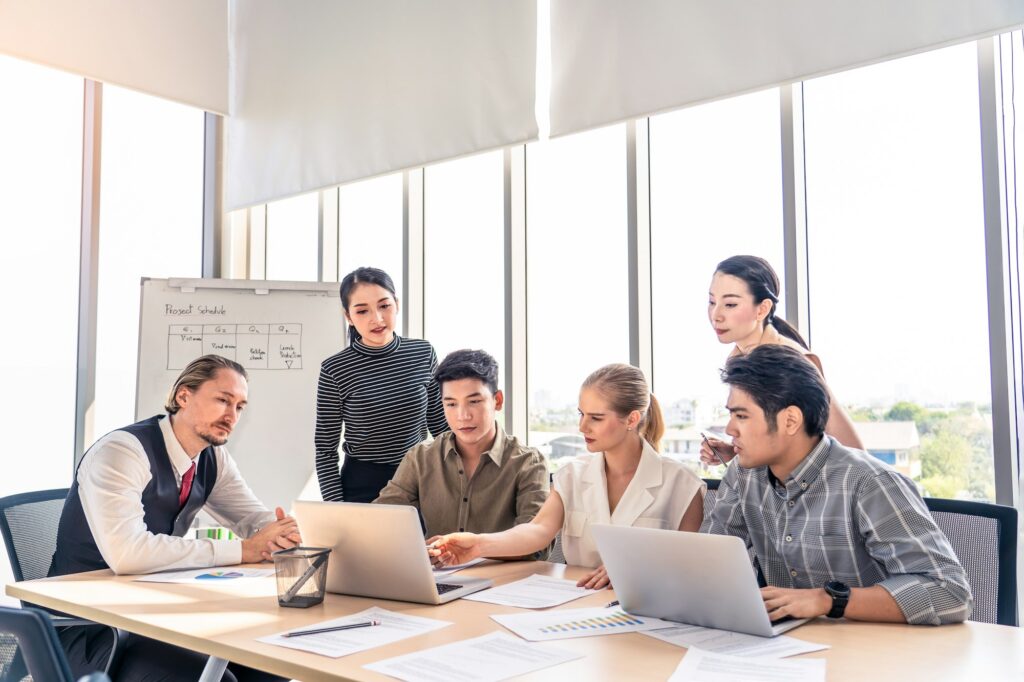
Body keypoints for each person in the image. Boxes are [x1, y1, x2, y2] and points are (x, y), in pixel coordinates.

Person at [48, 355, 299, 681]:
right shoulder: (123, 451)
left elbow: (252, 517)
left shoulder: (212, 458)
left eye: (239, 407)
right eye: (222, 400)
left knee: (271, 665)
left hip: (149, 614)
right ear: (183, 396)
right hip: (88, 627)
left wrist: (286, 532)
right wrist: (245, 549)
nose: (231, 415)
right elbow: (128, 553)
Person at [702, 344, 972, 625]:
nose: (730, 429)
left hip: (873, 651)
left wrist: (828, 599)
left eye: (741, 416)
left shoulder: (869, 483)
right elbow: (708, 561)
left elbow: (950, 592)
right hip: (788, 647)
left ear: (790, 420)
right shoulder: (744, 474)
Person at [428, 364, 705, 589]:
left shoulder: (681, 485)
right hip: (577, 606)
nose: (582, 426)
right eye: (581, 414)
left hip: (649, 610)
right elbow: (537, 531)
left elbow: (691, 566)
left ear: (632, 420)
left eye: (596, 418)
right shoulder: (573, 475)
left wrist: (640, 567)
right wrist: (477, 545)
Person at [374, 349, 549, 547]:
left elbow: (537, 544)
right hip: (434, 576)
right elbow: (380, 519)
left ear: (497, 401)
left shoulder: (528, 463)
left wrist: (475, 547)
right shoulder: (421, 457)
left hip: (503, 576)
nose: (463, 415)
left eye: (474, 401)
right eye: (451, 404)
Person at [702, 254, 863, 467]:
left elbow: (853, 452)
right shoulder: (738, 358)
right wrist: (735, 451)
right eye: (712, 301)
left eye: (730, 304)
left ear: (762, 309)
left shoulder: (792, 361)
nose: (716, 314)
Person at [315, 266, 448, 502]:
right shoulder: (335, 369)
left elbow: (441, 428)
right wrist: (336, 508)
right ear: (348, 316)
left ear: (396, 303)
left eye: (384, 306)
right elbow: (325, 450)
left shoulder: (423, 353)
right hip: (361, 484)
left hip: (419, 479)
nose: (376, 319)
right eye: (362, 311)